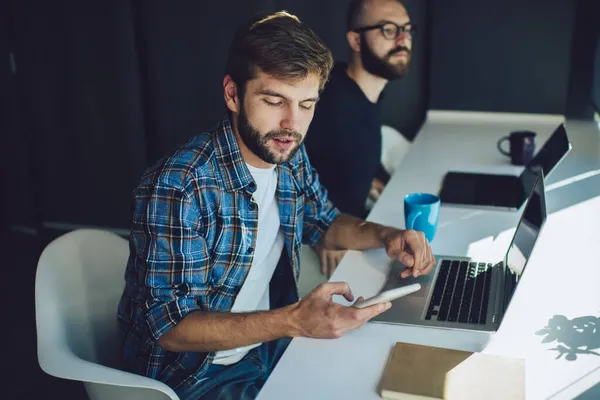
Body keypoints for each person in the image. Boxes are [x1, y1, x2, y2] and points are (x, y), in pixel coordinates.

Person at [117, 11, 434, 400]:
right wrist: (295, 321)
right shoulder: (179, 185)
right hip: (193, 376)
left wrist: (388, 236)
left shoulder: (286, 154)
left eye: (306, 104)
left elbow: (323, 221)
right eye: (274, 100)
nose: (291, 123)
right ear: (233, 94)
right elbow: (169, 328)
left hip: (264, 345)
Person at [304, 0, 415, 275]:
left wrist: (368, 178)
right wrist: (322, 234)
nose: (402, 39)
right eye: (388, 29)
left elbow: (342, 152)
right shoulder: (327, 101)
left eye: (407, 29)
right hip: (325, 253)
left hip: (358, 230)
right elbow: (282, 173)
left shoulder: (366, 93)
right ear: (355, 39)